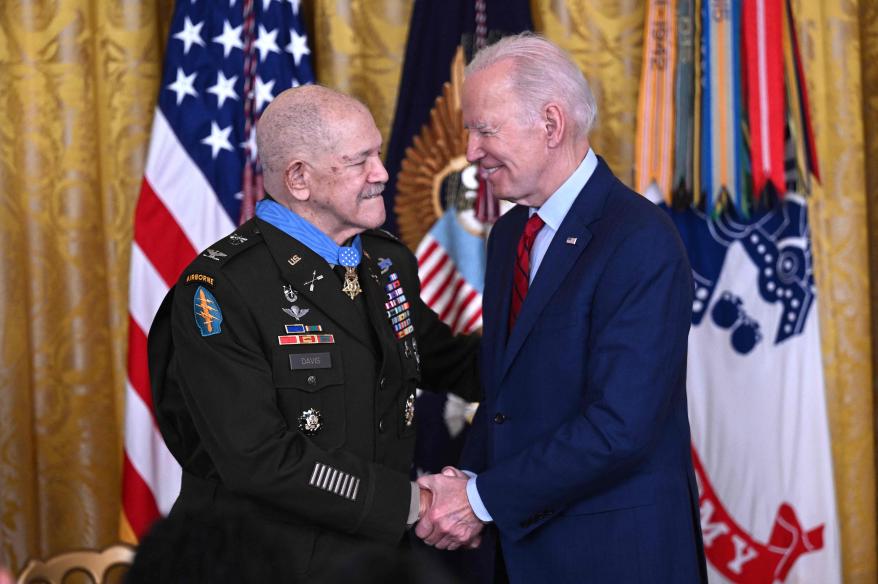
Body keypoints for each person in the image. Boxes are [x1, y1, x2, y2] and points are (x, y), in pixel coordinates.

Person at [147, 85, 481, 579]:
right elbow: (259, 458)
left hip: (369, 561)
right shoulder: (221, 289)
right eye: (359, 160)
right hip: (261, 565)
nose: (382, 174)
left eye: (378, 153)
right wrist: (417, 502)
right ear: (299, 178)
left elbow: (448, 361)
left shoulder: (385, 263)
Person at [414, 33, 708, 583]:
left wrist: (479, 498)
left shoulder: (638, 239)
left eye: (484, 129)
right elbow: (504, 393)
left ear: (551, 124)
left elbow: (619, 426)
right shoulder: (509, 234)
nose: (472, 151)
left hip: (617, 557)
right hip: (525, 551)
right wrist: (468, 480)